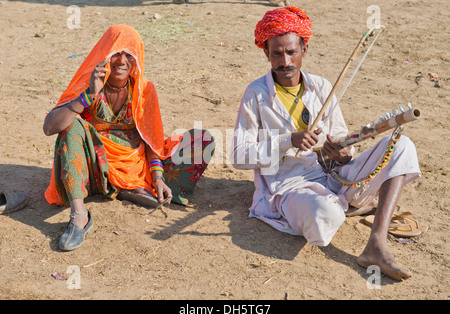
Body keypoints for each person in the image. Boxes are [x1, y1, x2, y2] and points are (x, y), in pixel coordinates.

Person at [231, 7, 421, 280]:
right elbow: (239, 156)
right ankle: (349, 204)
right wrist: (288, 140)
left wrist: (344, 155)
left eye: (292, 52)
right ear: (266, 53)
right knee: (325, 213)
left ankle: (376, 243)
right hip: (289, 185)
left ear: (304, 49)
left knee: (403, 145)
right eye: (277, 53)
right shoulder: (256, 94)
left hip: (333, 175)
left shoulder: (321, 86)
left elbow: (342, 139)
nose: (285, 61)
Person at [44, 25, 214, 251]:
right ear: (104, 54)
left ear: (137, 59)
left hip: (136, 166)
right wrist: (88, 95)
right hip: (95, 170)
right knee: (71, 125)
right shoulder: (89, 83)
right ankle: (80, 216)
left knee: (201, 140)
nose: (121, 61)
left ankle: (134, 188)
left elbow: (151, 139)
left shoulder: (144, 90)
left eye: (129, 54)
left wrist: (158, 177)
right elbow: (49, 128)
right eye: (116, 53)